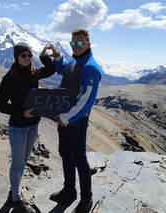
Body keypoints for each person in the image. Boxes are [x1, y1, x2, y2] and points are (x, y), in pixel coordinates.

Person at [0, 42, 56, 213]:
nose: (27, 58)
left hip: (33, 126)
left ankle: (14, 190)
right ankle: (16, 200)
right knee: (17, 163)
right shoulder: (9, 78)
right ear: (16, 57)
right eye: (23, 55)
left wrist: (44, 57)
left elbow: (51, 70)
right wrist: (22, 113)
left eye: (29, 55)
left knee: (23, 162)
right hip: (18, 128)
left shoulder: (33, 73)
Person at [48, 29, 102, 213]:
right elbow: (64, 68)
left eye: (80, 43)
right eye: (73, 43)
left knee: (79, 159)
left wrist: (66, 117)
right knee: (65, 154)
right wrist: (56, 57)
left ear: (88, 44)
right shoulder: (75, 62)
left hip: (75, 121)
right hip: (64, 119)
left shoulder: (90, 67)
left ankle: (86, 198)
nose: (76, 46)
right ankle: (69, 190)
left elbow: (87, 100)